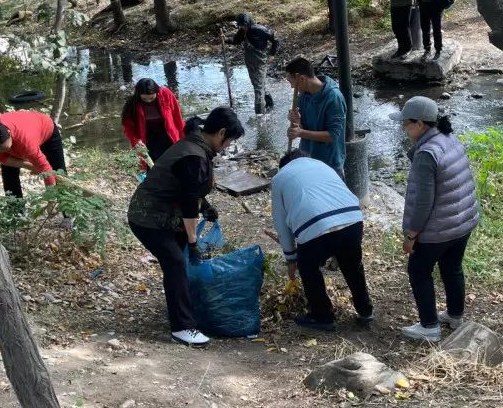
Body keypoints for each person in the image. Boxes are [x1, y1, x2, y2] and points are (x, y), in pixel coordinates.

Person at [127, 108, 245, 347]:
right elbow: (188, 203)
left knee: (178, 263)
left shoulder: (196, 145)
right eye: (230, 141)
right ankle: (182, 327)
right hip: (148, 218)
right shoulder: (195, 155)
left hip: (167, 214)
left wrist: (207, 206)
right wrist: (193, 242)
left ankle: (185, 309)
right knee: (176, 262)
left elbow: (187, 189)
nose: (228, 146)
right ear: (221, 133)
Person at [390, 97, 479, 342]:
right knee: (452, 267)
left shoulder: (427, 153)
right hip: (462, 223)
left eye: (405, 124)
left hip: (439, 228)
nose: (403, 129)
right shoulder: (449, 139)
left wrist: (411, 235)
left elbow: (422, 201)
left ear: (419, 124)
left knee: (418, 271)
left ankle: (429, 326)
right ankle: (455, 315)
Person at [271, 149, 373, 331]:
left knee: (308, 266)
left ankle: (322, 315)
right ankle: (365, 309)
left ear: (283, 165)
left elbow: (281, 224)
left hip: (316, 226)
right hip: (352, 218)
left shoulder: (280, 178)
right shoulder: (322, 165)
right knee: (352, 264)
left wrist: (291, 258)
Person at [285, 57, 346, 179]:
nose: (292, 87)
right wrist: (297, 122)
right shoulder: (303, 96)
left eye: (291, 82)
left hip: (329, 162)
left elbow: (332, 135)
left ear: (301, 78)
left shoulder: (333, 98)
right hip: (308, 158)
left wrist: (300, 133)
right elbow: (303, 128)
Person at [0, 110, 65, 198]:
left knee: (58, 170)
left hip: (46, 129)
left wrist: (51, 200)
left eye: (2, 148)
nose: (0, 151)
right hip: (22, 130)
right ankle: (15, 208)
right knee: (8, 173)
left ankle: (66, 206)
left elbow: (46, 170)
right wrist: (31, 166)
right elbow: (2, 159)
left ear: (9, 134)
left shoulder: (26, 142)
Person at [121, 78, 185, 165]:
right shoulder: (132, 105)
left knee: (175, 164)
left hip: (169, 136)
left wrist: (184, 136)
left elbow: (177, 116)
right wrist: (136, 141)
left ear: (157, 91)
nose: (148, 101)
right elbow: (128, 127)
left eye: (151, 98)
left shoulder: (166, 94)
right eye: (144, 99)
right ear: (138, 95)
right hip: (148, 139)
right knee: (153, 166)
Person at [227, 12, 279, 114]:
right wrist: (226, 40)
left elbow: (275, 40)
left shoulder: (259, 29)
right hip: (249, 61)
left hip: (260, 61)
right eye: (241, 26)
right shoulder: (242, 31)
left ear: (249, 23)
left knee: (258, 88)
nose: (243, 28)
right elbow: (236, 41)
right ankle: (270, 104)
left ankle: (259, 115)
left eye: (244, 26)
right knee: (258, 84)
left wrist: (272, 54)